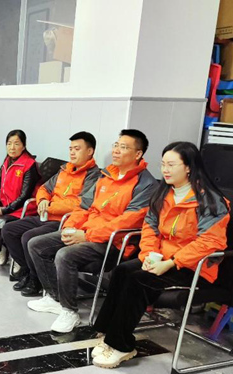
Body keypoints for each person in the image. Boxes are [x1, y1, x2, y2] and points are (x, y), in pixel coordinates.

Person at [92, 142, 229, 368]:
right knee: (122, 271)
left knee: (137, 281)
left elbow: (210, 242)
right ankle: (107, 333)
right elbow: (150, 227)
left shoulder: (210, 201)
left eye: (171, 165)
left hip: (193, 267)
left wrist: (172, 262)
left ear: (188, 167)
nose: (165, 170)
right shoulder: (164, 193)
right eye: (163, 164)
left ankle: (121, 345)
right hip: (162, 258)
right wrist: (148, 254)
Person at [27, 129, 157, 333]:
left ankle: (70, 311)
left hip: (113, 242)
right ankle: (55, 297)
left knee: (64, 255)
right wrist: (71, 227)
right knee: (36, 244)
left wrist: (86, 235)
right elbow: (84, 207)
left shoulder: (146, 184)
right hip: (87, 232)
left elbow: (127, 222)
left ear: (138, 154)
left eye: (123, 147)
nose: (116, 151)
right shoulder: (106, 175)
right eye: (116, 145)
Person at [2, 132, 100, 296]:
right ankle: (28, 271)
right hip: (45, 215)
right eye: (70, 149)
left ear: (90, 151)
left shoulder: (93, 176)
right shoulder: (65, 170)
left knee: (28, 237)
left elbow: (80, 204)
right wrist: (42, 201)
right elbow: (44, 188)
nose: (72, 153)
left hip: (64, 222)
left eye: (77, 149)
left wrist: (50, 207)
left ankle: (36, 280)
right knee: (9, 230)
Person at [0, 130, 40, 261]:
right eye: (9, 143)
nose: (12, 147)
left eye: (16, 144)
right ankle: (1, 248)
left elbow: (24, 196)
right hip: (7, 206)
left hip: (22, 209)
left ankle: (15, 257)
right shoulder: (6, 162)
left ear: (23, 146)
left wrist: (4, 210)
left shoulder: (29, 165)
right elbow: (1, 188)